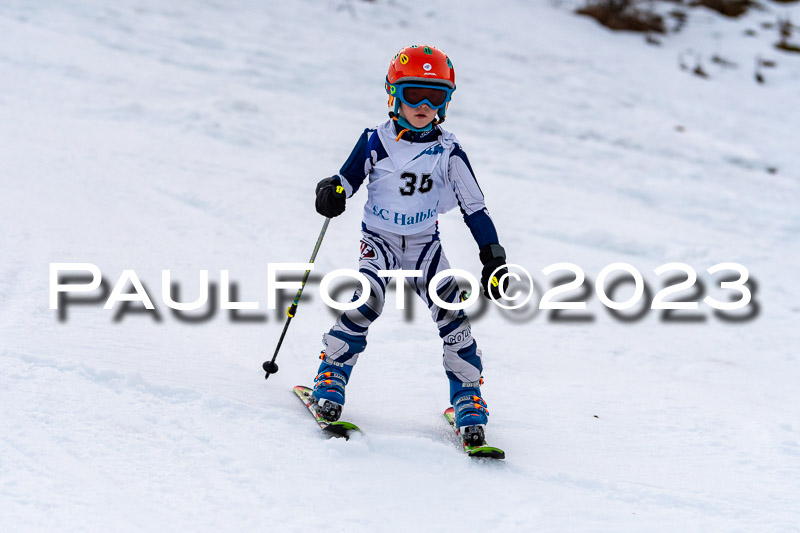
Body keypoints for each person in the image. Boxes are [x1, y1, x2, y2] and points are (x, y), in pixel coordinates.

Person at [311, 44, 508, 446]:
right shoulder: (375, 141)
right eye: (412, 94)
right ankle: (331, 374)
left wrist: (493, 258)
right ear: (393, 96)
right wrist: (330, 192)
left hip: (424, 247)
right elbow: (345, 181)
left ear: (446, 102)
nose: (422, 104)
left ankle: (467, 397)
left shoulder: (449, 152)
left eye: (435, 96)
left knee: (453, 314)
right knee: (367, 300)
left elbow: (475, 208)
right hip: (379, 240)